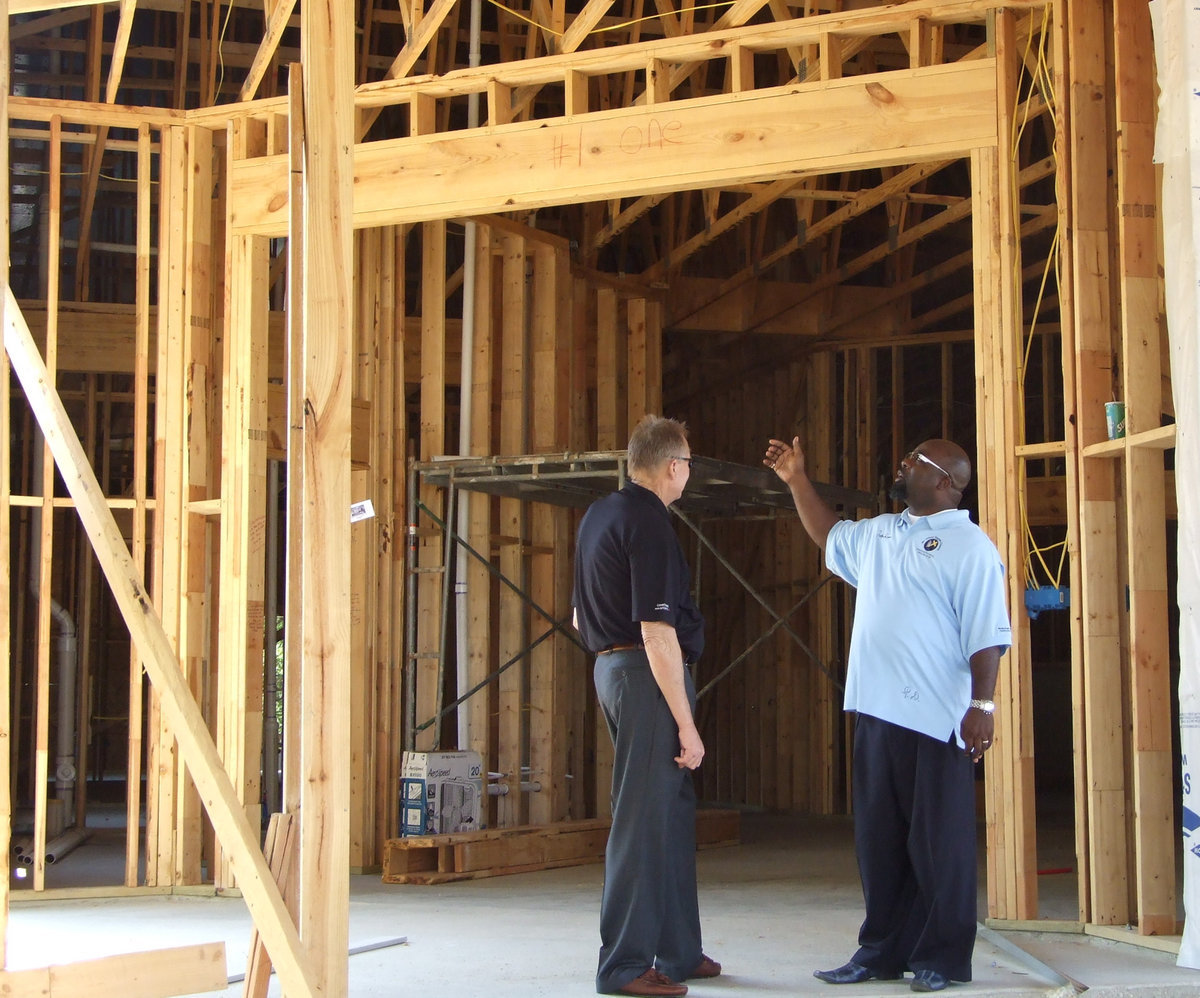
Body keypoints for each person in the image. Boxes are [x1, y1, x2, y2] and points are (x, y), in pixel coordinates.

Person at [763, 435, 1011, 994]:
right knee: (878, 843)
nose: (900, 463)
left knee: (937, 845)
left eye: (913, 461)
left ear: (947, 481)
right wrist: (797, 480)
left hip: (936, 722)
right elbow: (830, 534)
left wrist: (983, 705)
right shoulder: (881, 531)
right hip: (875, 712)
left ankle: (943, 959)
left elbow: (986, 638)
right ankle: (879, 953)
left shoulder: (969, 546)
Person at [573, 414, 721, 998]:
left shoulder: (599, 514)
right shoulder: (650, 521)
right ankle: (625, 965)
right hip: (646, 674)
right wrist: (687, 722)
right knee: (640, 817)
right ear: (671, 466)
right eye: (687, 463)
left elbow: (580, 614)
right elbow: (657, 629)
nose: (688, 472)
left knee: (670, 811)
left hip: (614, 668)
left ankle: (678, 950)